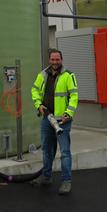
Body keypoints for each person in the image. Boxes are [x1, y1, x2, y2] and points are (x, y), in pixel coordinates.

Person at [31, 49, 78, 195]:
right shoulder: (42, 75)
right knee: (47, 150)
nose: (55, 62)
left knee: (64, 152)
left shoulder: (69, 75)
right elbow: (34, 91)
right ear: (49, 60)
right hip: (47, 118)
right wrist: (38, 105)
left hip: (62, 121)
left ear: (61, 60)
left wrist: (69, 113)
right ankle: (46, 177)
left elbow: (74, 96)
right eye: (53, 59)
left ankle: (66, 181)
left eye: (57, 59)